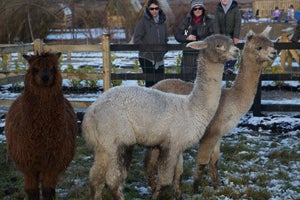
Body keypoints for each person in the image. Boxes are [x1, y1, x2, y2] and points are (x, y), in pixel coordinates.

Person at [175, 0, 214, 80]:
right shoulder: (186, 21)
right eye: (195, 9)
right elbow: (178, 35)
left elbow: (214, 36)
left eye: (200, 8)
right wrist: (187, 37)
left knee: (203, 82)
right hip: (188, 58)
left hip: (203, 56)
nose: (197, 10)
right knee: (187, 83)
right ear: (192, 10)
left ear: (203, 9)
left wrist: (201, 41)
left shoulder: (209, 21)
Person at [133, 0, 168, 87]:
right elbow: (137, 39)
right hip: (146, 57)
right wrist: (147, 49)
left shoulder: (162, 22)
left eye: (156, 8)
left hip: (159, 58)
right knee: (150, 84)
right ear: (148, 9)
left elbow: (166, 39)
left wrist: (164, 50)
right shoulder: (143, 22)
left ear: (159, 9)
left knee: (160, 84)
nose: (154, 11)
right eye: (152, 9)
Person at [214, 0, 241, 73]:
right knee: (222, 51)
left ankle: (230, 66)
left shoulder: (235, 8)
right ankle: (224, 66)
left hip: (232, 35)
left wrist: (236, 36)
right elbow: (216, 23)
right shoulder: (218, 8)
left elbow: (238, 22)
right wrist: (217, 36)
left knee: (232, 51)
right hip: (222, 35)